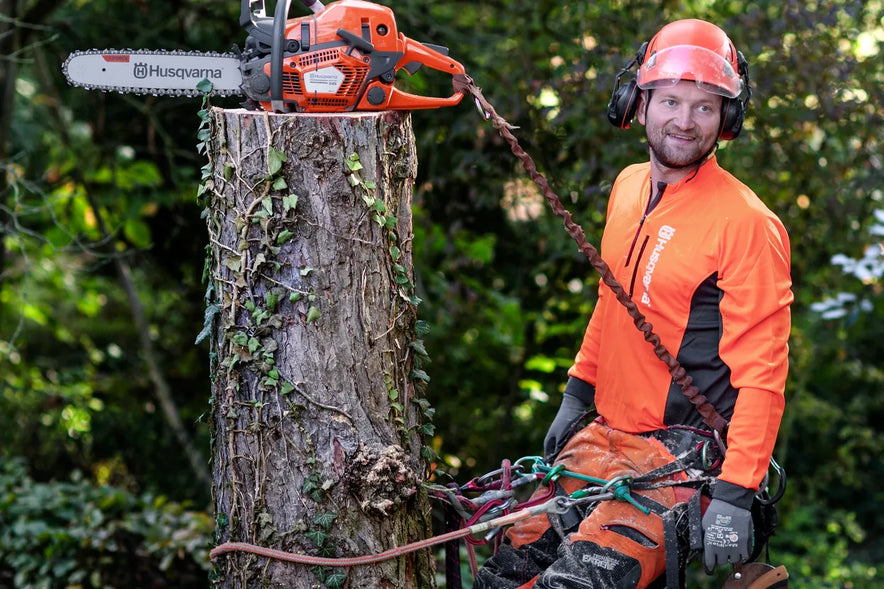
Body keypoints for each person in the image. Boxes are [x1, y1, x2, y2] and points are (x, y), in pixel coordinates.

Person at [474, 19, 792, 589]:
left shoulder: (746, 223)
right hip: (601, 440)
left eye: (704, 107)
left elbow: (763, 376)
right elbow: (612, 301)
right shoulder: (626, 187)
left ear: (726, 120)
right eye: (670, 101)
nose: (685, 121)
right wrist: (577, 395)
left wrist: (736, 494)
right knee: (501, 571)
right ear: (637, 105)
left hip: (681, 459)